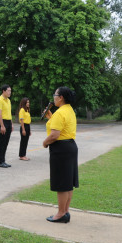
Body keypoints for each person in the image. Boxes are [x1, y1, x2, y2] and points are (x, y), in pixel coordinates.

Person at [43, 87, 78, 223]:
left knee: (62, 183)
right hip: (70, 146)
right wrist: (51, 117)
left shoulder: (60, 112)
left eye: (55, 95)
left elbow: (55, 135)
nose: (54, 97)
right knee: (68, 182)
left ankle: (60, 213)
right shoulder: (69, 110)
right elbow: (62, 127)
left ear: (61, 97)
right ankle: (65, 211)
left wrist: (45, 143)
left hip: (61, 149)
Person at [0, 85, 12, 168]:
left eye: (10, 91)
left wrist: (11, 124)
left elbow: (9, 113)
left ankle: (3, 160)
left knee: (6, 143)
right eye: (8, 91)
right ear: (3, 91)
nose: (10, 92)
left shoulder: (8, 100)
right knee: (1, 143)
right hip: (2, 122)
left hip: (8, 122)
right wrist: (2, 126)